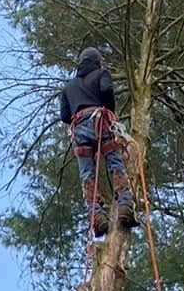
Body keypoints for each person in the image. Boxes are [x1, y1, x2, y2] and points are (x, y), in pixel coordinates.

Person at [59, 48, 137, 239]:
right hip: (101, 121)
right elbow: (107, 90)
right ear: (97, 62)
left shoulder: (68, 87)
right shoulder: (101, 74)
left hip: (79, 129)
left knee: (87, 173)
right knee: (115, 161)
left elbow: (64, 115)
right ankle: (125, 205)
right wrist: (109, 111)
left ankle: (97, 216)